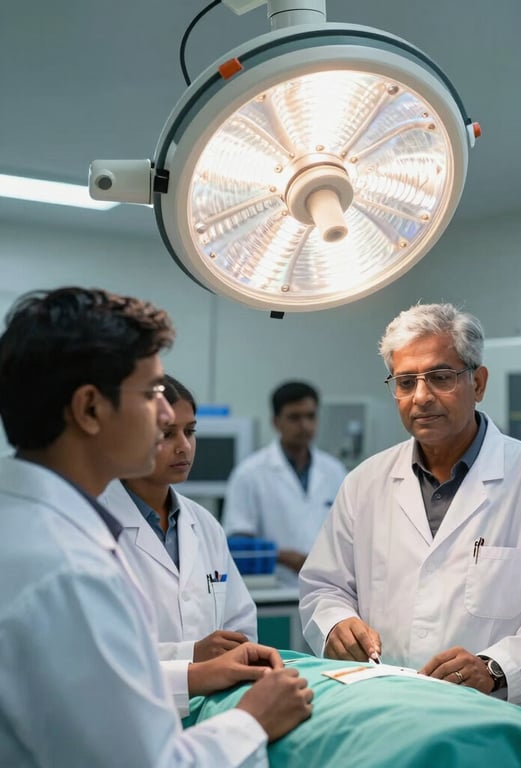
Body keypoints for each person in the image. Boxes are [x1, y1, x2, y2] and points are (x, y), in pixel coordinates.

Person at [0, 287, 312, 767]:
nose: (168, 416)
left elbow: (99, 694)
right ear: (89, 409)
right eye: (151, 396)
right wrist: (253, 719)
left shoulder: (28, 526)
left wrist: (196, 673)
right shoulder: (69, 570)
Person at [299, 302, 521, 719]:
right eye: (405, 382)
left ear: (479, 383)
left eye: (440, 377)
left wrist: (494, 668)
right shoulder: (364, 483)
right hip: (387, 716)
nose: (421, 397)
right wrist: (334, 623)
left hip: (495, 723)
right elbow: (322, 588)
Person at [100, 375, 259, 663]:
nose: (184, 446)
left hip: (215, 702)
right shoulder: (96, 524)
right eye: (167, 433)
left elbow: (240, 622)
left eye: (190, 431)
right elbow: (102, 652)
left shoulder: (204, 524)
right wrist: (192, 656)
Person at [223, 381, 347, 586]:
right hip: (275, 588)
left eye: (310, 416)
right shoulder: (249, 474)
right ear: (276, 422)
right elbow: (239, 544)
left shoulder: (335, 471)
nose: (304, 425)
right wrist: (284, 557)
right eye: (294, 417)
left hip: (329, 589)